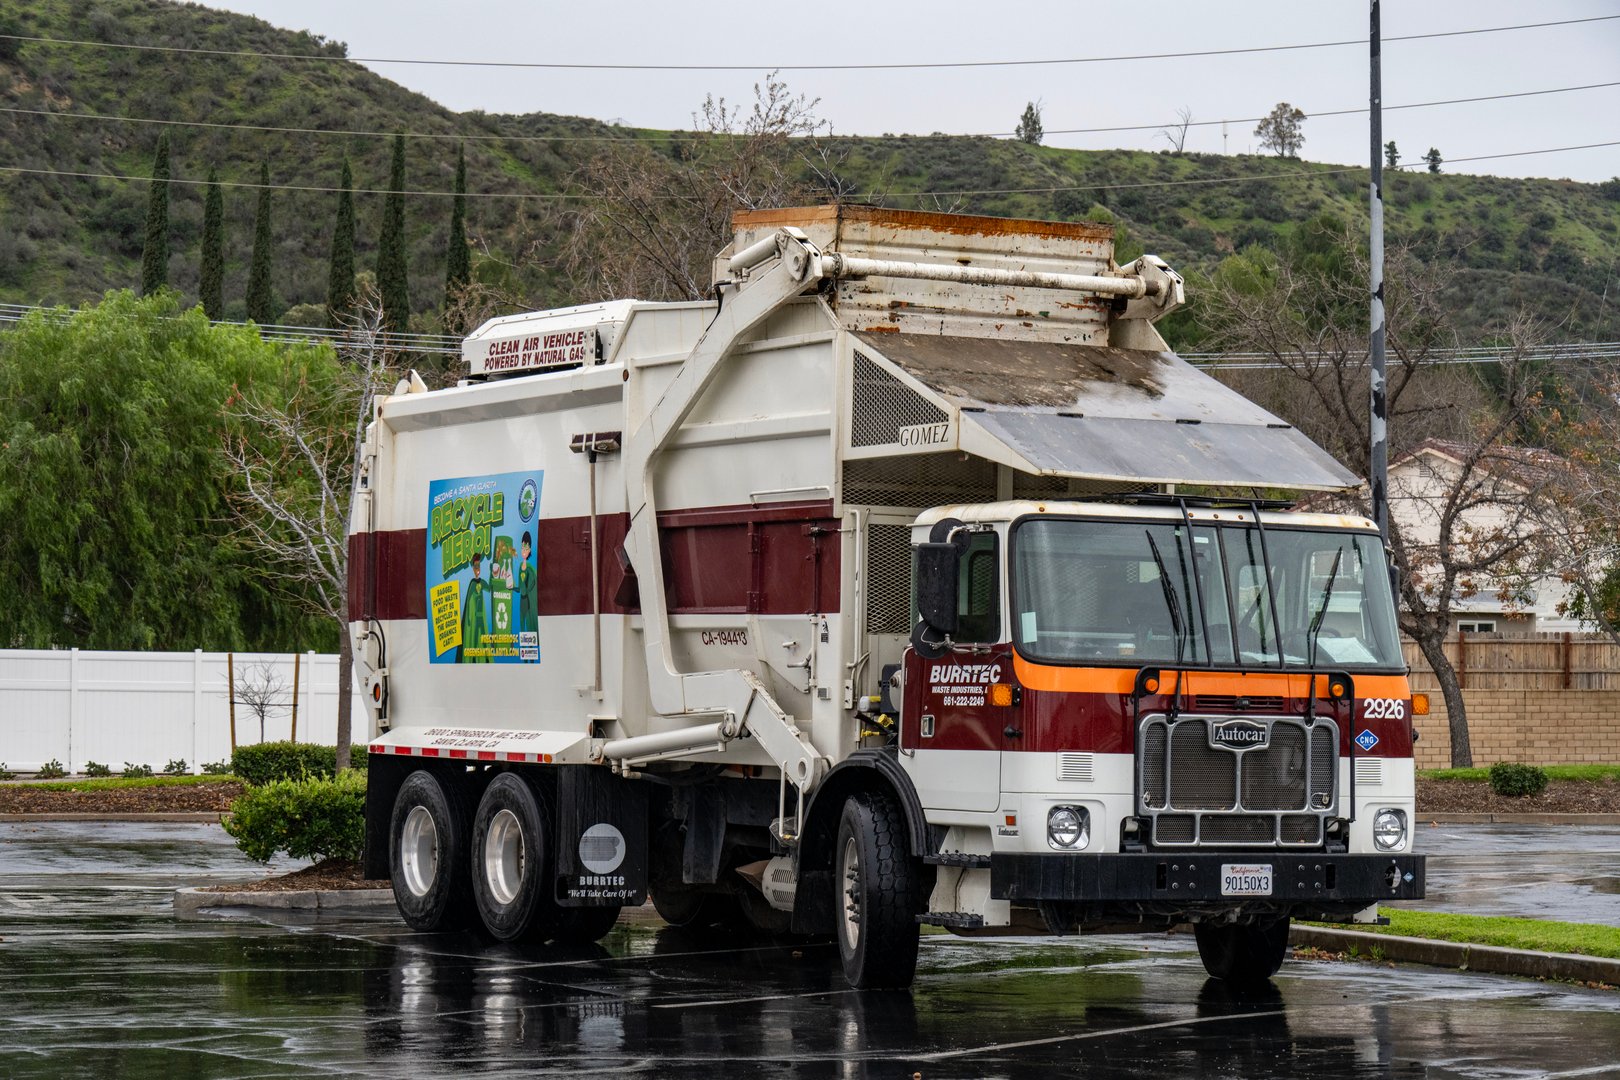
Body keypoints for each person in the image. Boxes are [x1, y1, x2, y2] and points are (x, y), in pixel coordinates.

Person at [456, 551, 492, 663]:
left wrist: (492, 571)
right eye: (476, 566)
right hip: (475, 618)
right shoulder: (472, 584)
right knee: (474, 639)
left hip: (481, 617)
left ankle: (485, 659)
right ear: (473, 568)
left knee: (484, 639)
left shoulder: (482, 582)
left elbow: (489, 588)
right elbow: (469, 604)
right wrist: (470, 620)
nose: (477, 569)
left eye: (479, 566)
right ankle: (473, 660)